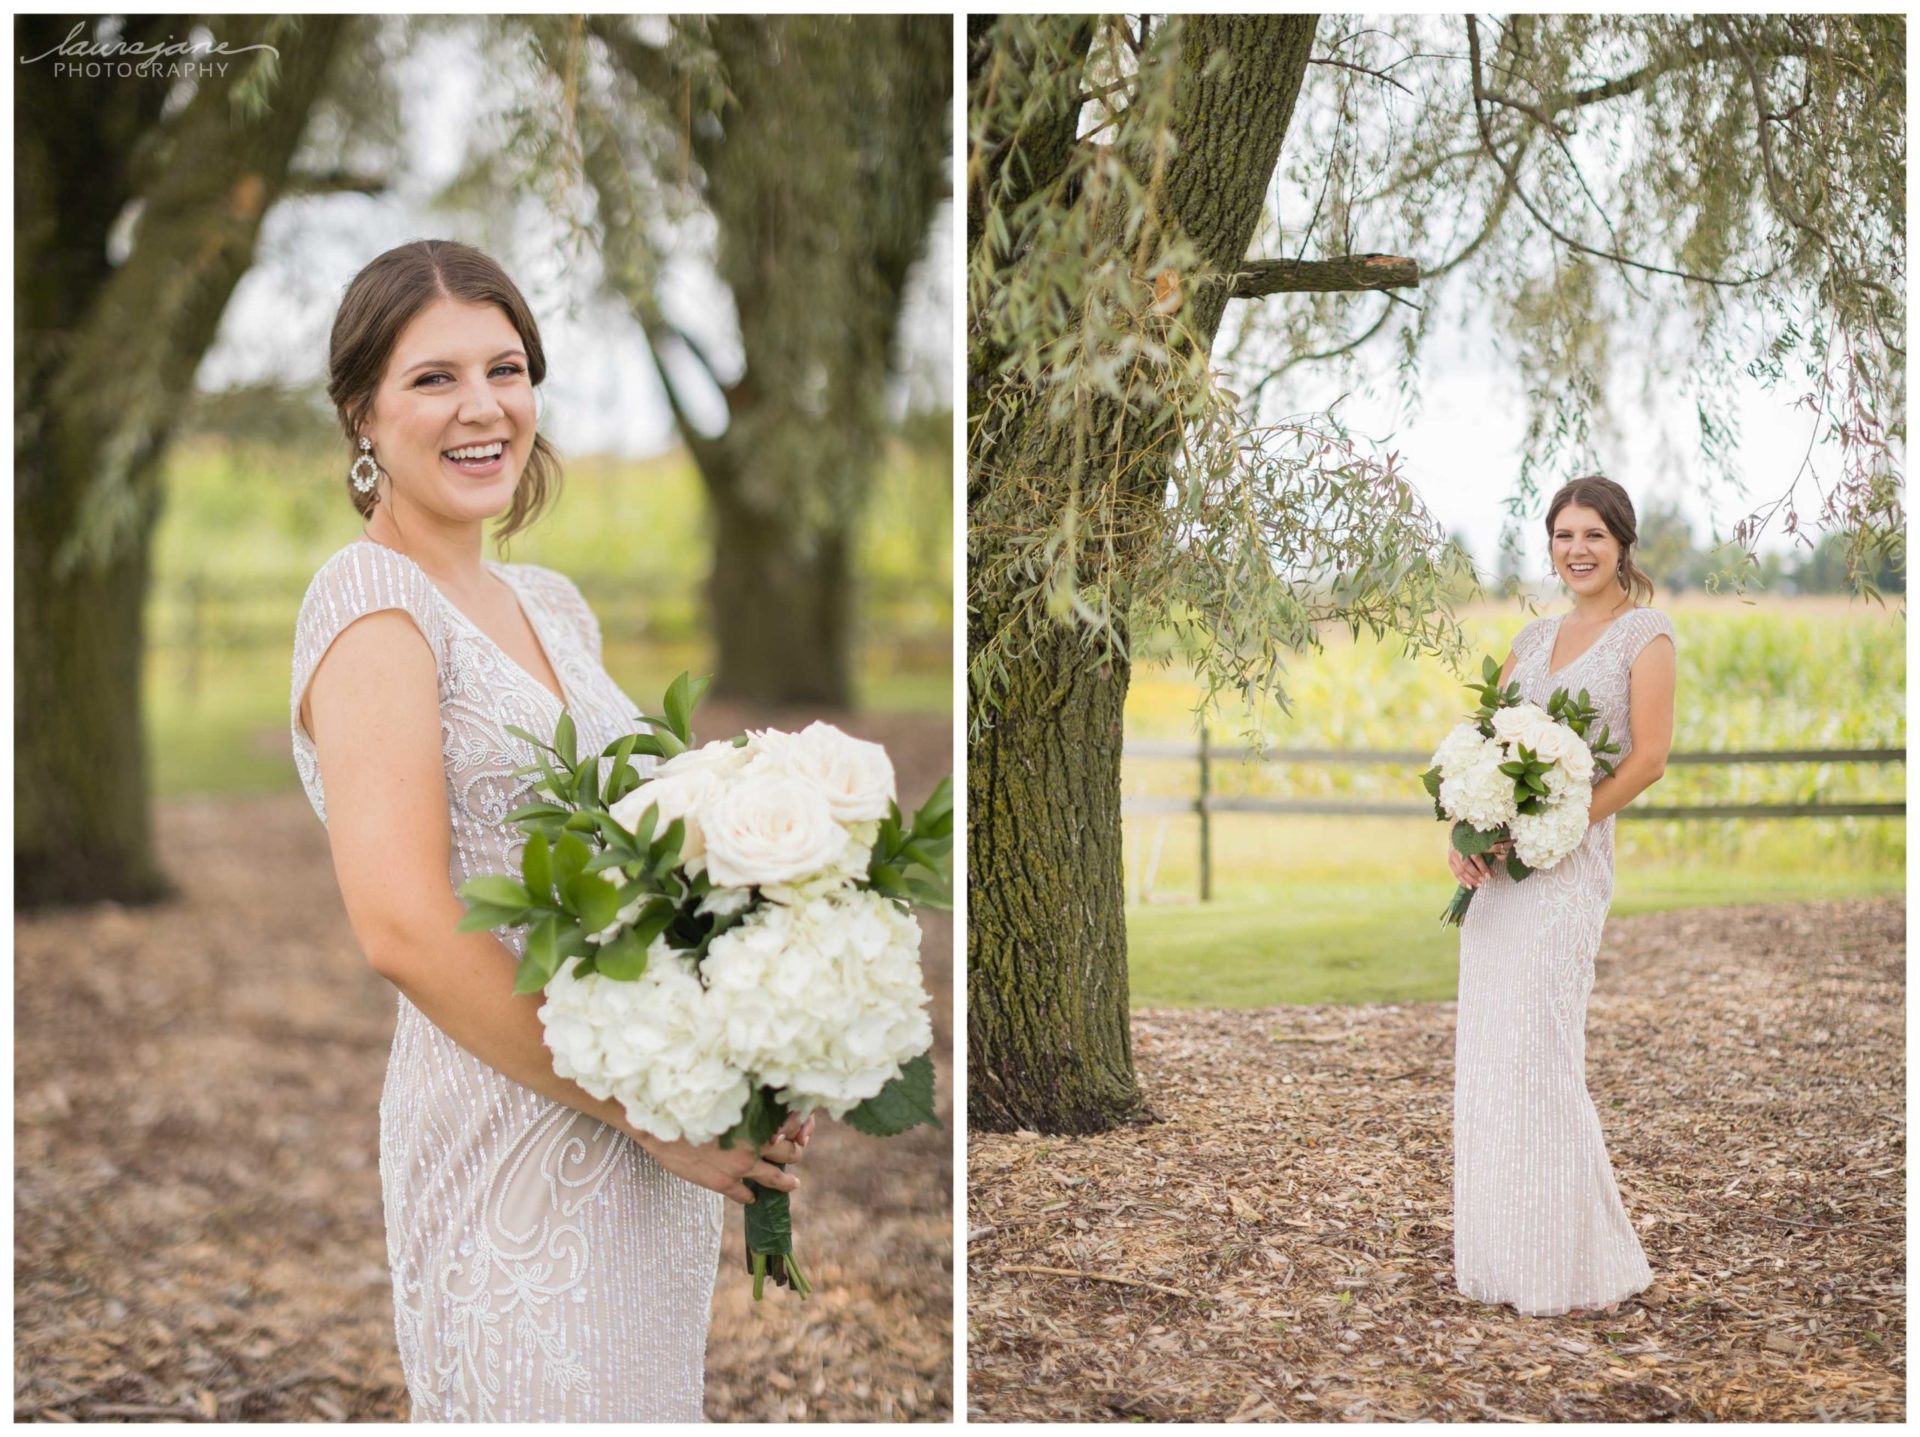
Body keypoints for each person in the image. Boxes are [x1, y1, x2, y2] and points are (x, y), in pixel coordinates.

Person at [290, 239, 810, 1419]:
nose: (483, 408)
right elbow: (405, 928)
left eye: (506, 368)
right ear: (361, 414)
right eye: (433, 379)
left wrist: (757, 1029)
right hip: (508, 1125)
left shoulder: (552, 607)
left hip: (645, 1147)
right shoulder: (369, 605)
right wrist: (657, 1114)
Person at [1447, 475, 1676, 1317]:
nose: (1577, 549)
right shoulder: (1532, 639)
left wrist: (1566, 821)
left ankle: (1568, 1261)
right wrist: (1466, 836)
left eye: (1594, 535)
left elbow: (1647, 758)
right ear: (1549, 542)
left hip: (1567, 871)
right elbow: (1482, 747)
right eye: (1563, 533)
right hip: (1504, 877)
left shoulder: (1644, 636)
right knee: (1495, 1055)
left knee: (1542, 1055)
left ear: (1623, 543)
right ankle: (1503, 1255)